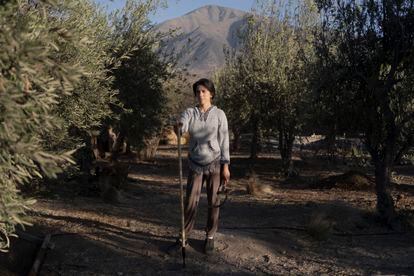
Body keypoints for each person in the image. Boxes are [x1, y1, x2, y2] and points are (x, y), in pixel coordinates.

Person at [175, 78, 230, 254]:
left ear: (211, 93)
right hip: (195, 164)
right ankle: (184, 236)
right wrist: (179, 127)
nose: (200, 94)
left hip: (214, 163)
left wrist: (225, 166)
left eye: (204, 91)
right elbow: (182, 124)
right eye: (198, 92)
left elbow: (224, 141)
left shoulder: (220, 114)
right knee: (191, 201)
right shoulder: (190, 113)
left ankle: (210, 237)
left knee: (214, 202)